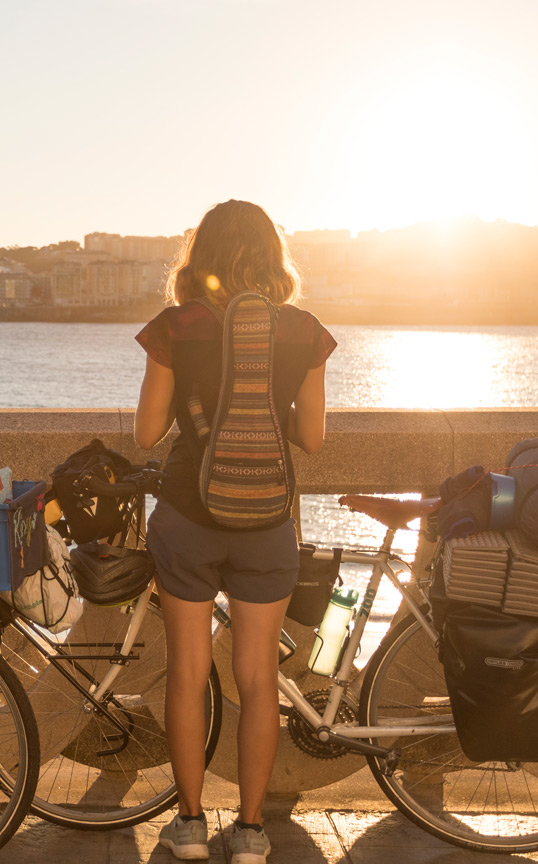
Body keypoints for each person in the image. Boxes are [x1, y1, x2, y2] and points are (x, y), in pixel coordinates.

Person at [132, 200, 335, 864]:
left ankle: (189, 824)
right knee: (255, 680)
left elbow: (146, 433)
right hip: (267, 522)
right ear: (273, 256)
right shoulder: (304, 331)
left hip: (188, 516)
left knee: (188, 673)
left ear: (201, 256)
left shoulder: (175, 327)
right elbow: (310, 437)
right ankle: (249, 832)